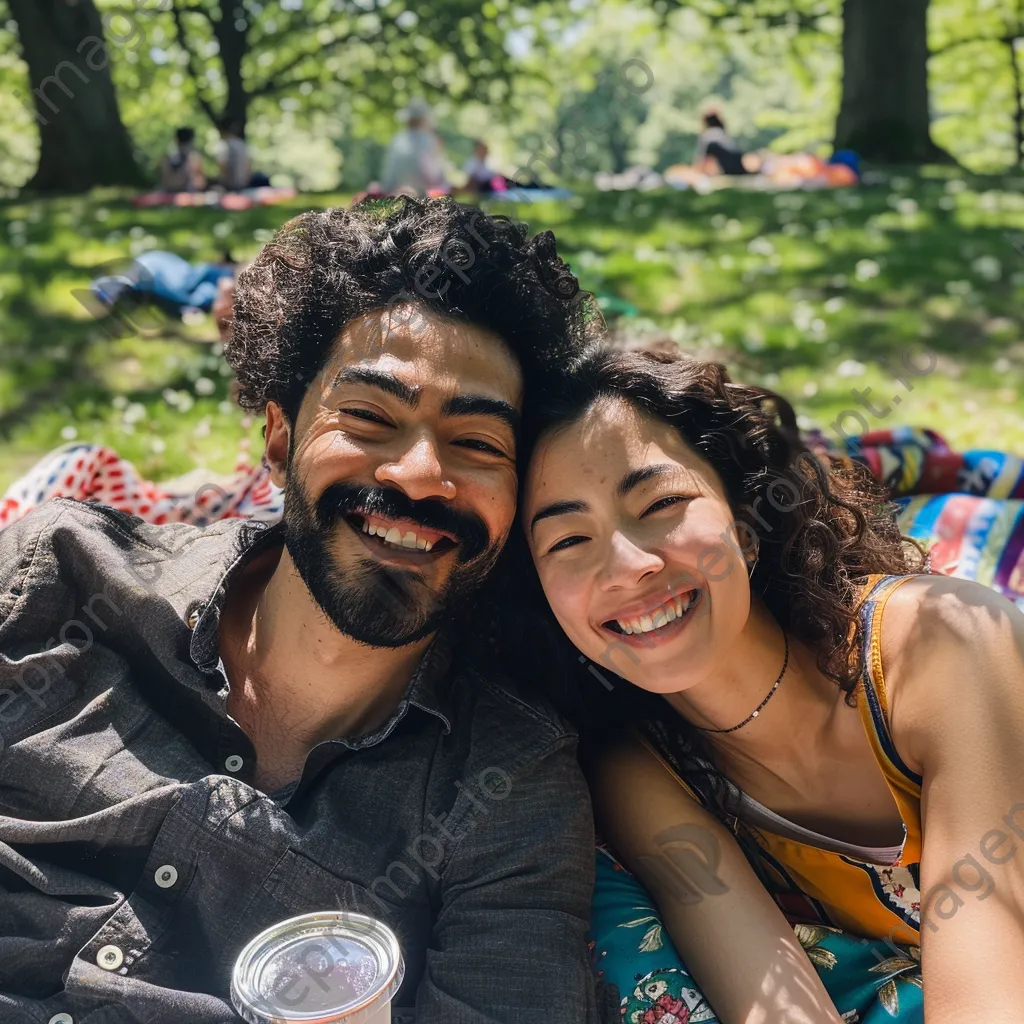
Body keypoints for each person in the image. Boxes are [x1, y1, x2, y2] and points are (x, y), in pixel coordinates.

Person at [0, 198, 615, 1023]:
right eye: (368, 417)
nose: (420, 474)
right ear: (281, 437)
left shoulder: (507, 793)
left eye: (477, 444)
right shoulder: (58, 584)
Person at [517, 346, 1024, 1022]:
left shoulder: (940, 645)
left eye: (662, 502)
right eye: (568, 542)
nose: (629, 566)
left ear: (745, 519)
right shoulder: (641, 767)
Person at [380, 98, 448, 196]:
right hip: (423, 197)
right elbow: (435, 178)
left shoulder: (397, 139)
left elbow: (389, 178)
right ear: (423, 119)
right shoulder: (429, 141)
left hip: (397, 196)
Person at [693, 112, 748, 176]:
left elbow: (703, 157)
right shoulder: (722, 132)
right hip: (736, 159)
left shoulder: (708, 134)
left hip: (729, 162)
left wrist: (696, 170)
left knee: (711, 147)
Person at [160, 126, 205, 192]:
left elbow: (200, 183)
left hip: (189, 192)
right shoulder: (168, 159)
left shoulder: (194, 158)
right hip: (171, 193)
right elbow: (167, 181)